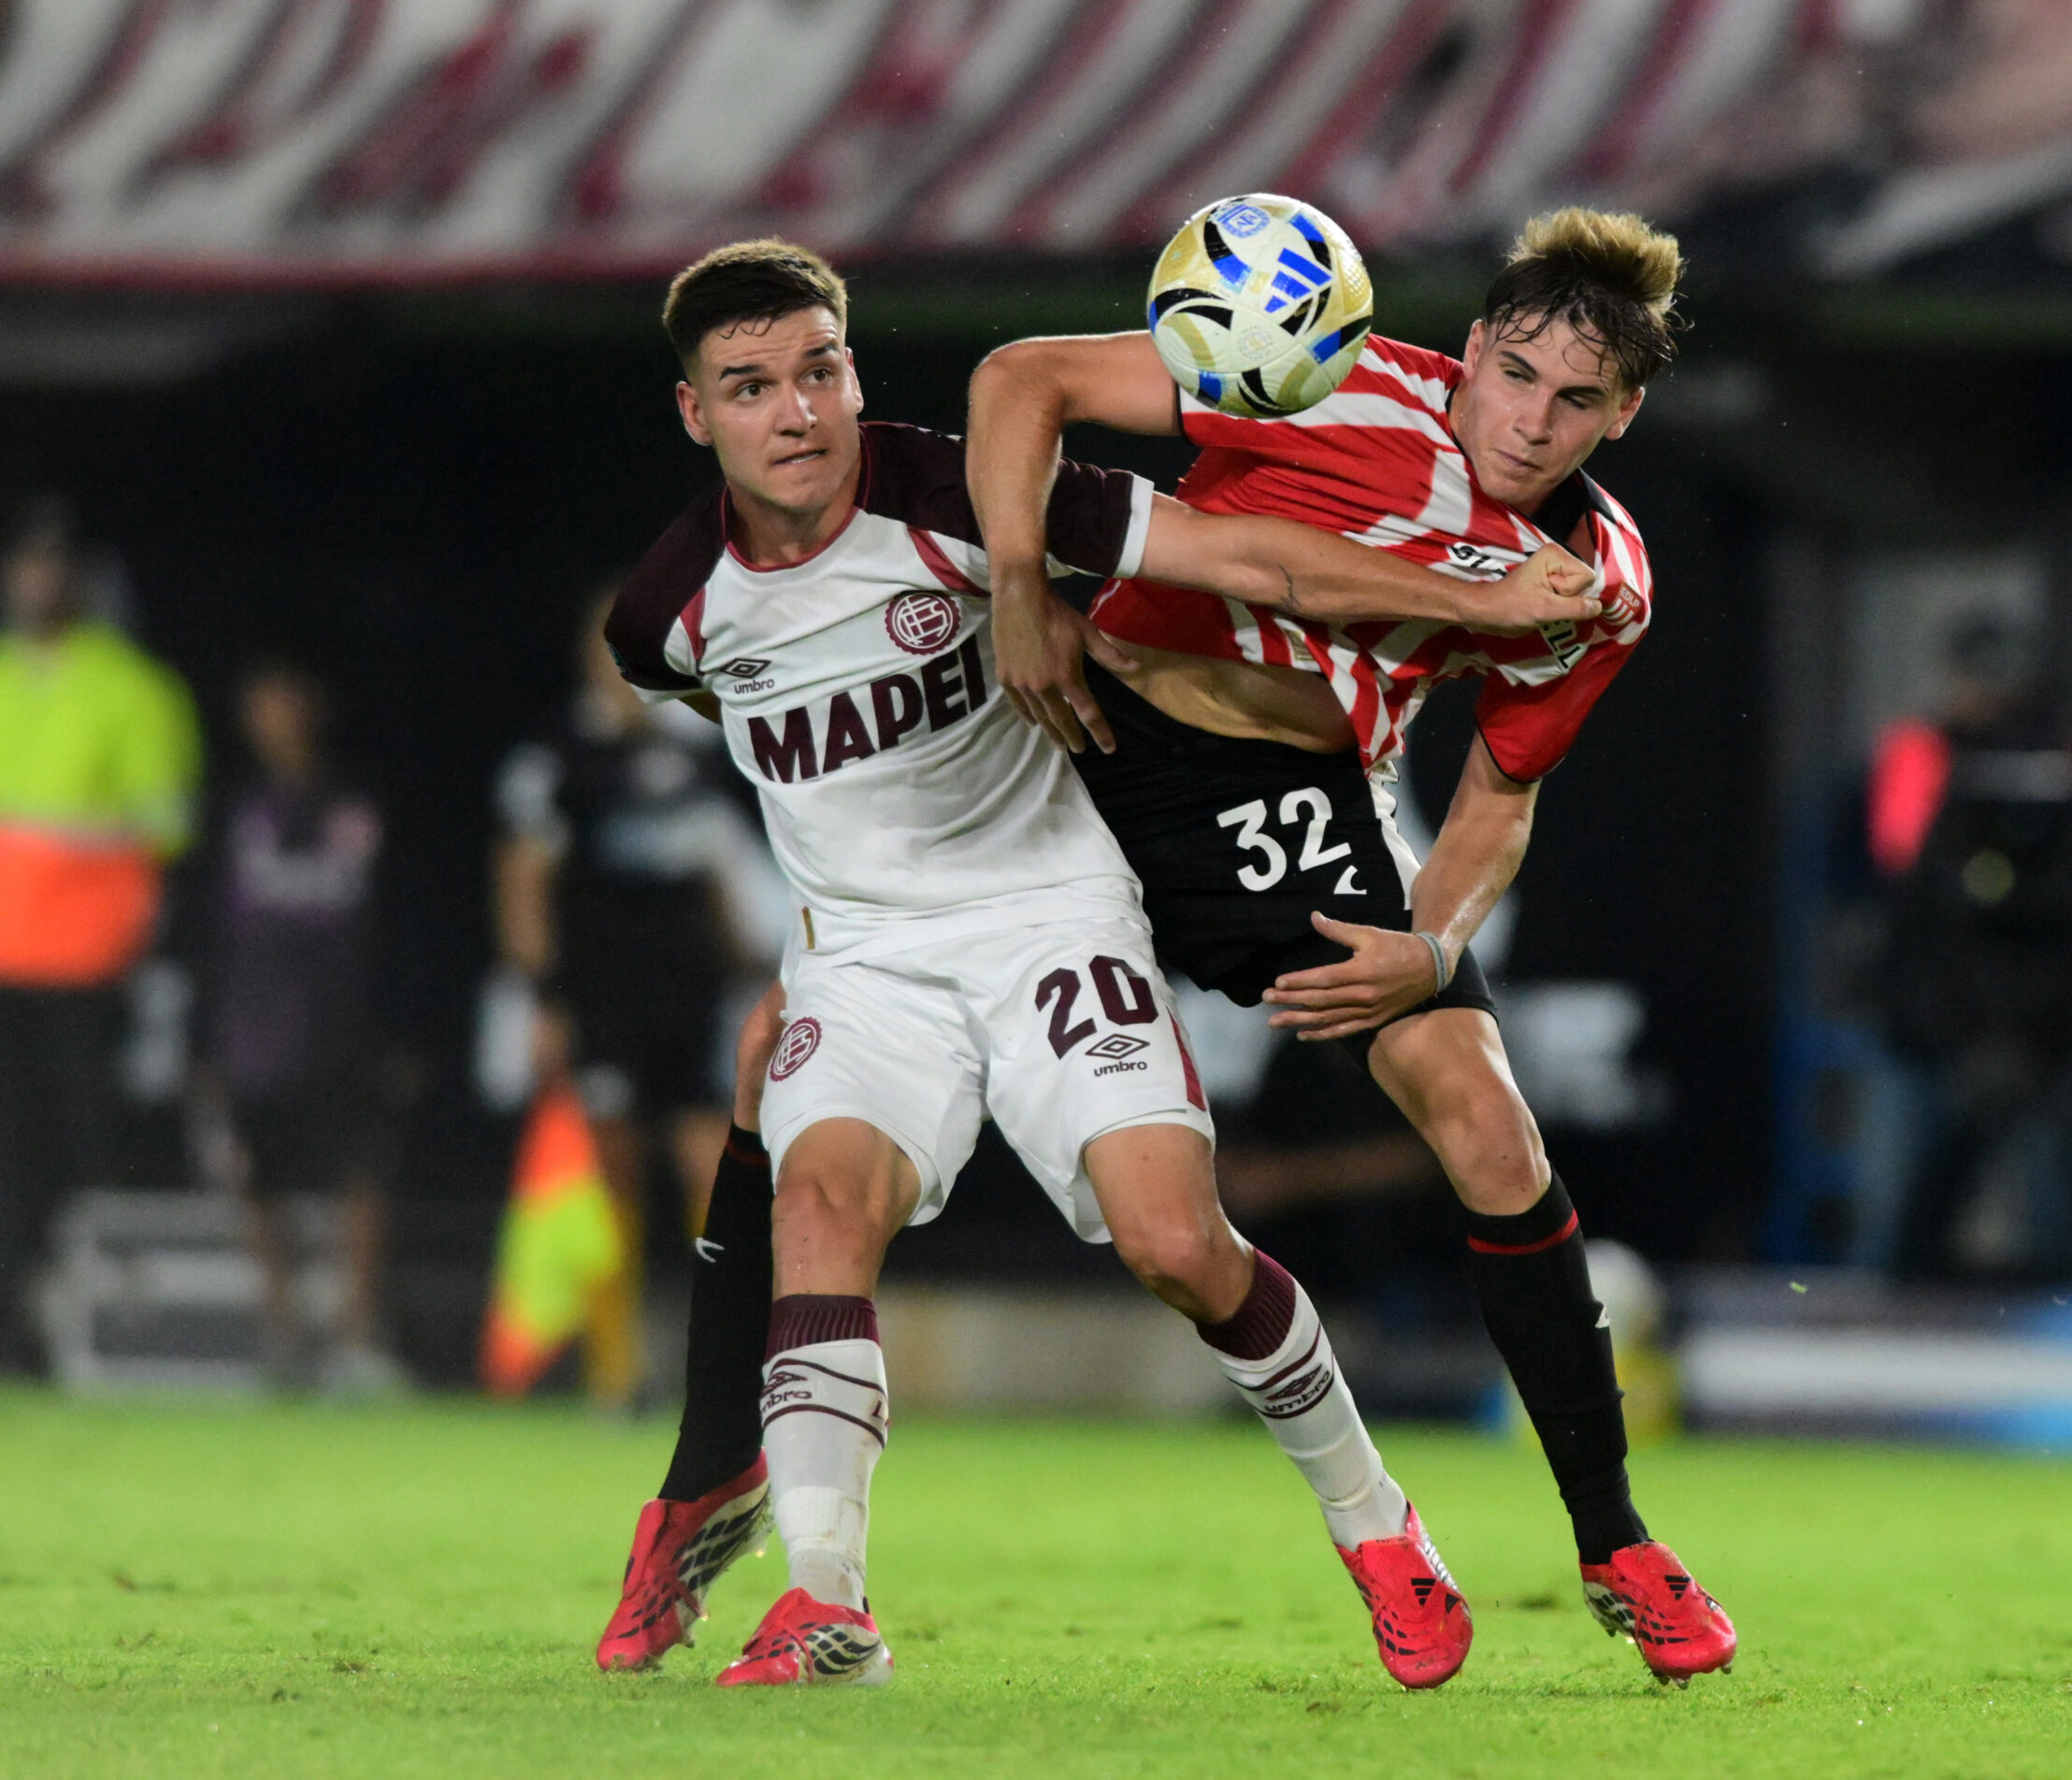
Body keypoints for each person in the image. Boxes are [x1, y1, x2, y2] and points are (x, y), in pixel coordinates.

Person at [590, 238, 1606, 1688]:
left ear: (855, 375)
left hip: (1054, 914)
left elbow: (1248, 556)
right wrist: (832, 891)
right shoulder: (665, 609)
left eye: (819, 372)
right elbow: (725, 702)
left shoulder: (958, 492)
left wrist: (1477, 601)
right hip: (872, 959)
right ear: (697, 415)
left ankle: (1377, 1521)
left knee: (1177, 1249)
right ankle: (825, 1604)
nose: (796, 413)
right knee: (821, 1207)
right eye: (751, 388)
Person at [954, 208, 1735, 1684]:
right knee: (820, 1070)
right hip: (1082, 733)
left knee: (1488, 1123)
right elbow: (1023, 379)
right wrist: (1016, 589)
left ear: (1624, 414)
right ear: (1474, 349)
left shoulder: (1601, 587)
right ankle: (729, 1517)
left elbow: (1499, 797)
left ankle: (1616, 1541)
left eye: (1576, 400)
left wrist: (1429, 951)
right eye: (1515, 373)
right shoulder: (1327, 373)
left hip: (1290, 804)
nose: (1530, 420)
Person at [493, 591, 771, 1406]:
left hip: (691, 995)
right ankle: (615, 1371)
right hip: (601, 996)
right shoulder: (556, 757)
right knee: (610, 1174)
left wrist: (752, 970)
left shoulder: (697, 751)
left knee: (713, 1165)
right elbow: (523, 882)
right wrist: (542, 997)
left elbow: (722, 874)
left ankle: (724, 1363)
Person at [1860, 615, 2072, 1279]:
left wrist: (2021, 898)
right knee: (1909, 1203)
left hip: (2036, 1022)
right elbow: (1905, 867)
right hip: (1938, 1018)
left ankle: (2059, 1320)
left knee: (2051, 1211)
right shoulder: (1925, 753)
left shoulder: (2064, 766)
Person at [0, 497, 200, 1372]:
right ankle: (15, 1333)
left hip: (85, 968)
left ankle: (108, 1335)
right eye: (26, 561)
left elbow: (166, 830)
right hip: (6, 965)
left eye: (54, 564)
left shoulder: (134, 689)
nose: (37, 579)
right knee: (9, 1162)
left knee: (90, 1152)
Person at [193, 660, 409, 1392]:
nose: (275, 718)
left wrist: (405, 1026)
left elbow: (399, 922)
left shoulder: (362, 802)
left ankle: (355, 1334)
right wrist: (204, 1034)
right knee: (260, 1176)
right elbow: (205, 924)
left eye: (287, 701)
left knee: (361, 1175)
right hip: (254, 1032)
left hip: (346, 1026)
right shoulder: (233, 808)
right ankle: (281, 1331)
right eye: (261, 704)